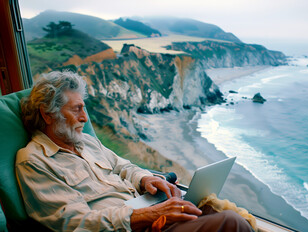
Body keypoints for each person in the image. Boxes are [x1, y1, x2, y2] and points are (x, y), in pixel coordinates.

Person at [16, 71, 253, 232]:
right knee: (231, 222)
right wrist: (147, 215)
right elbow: (73, 222)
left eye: (84, 108)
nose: (84, 118)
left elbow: (123, 167)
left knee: (215, 211)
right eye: (76, 109)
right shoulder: (33, 161)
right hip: (133, 226)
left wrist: (146, 178)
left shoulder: (86, 142)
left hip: (147, 212)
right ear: (48, 115)